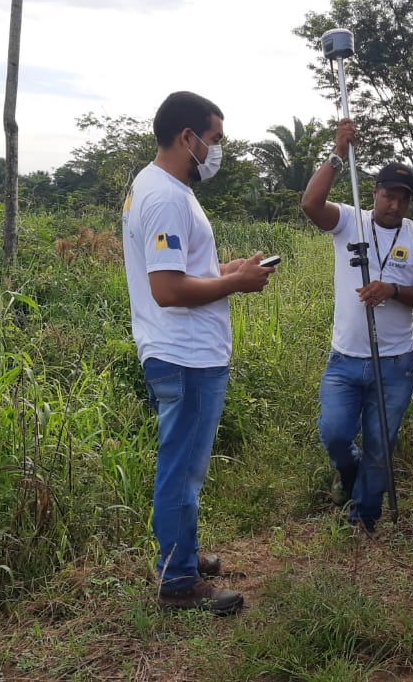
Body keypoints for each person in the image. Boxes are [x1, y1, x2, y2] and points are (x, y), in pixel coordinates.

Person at [122, 91, 275, 614]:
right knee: (181, 469)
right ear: (187, 137)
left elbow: (181, 270)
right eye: (214, 139)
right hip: (184, 356)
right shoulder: (165, 196)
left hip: (184, 352)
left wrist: (226, 271)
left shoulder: (162, 188)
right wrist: (236, 284)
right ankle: (178, 582)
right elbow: (167, 289)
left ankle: (182, 556)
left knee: (184, 466)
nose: (217, 150)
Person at [300, 118, 413, 532]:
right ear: (375, 193)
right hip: (345, 358)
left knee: (381, 444)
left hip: (394, 362)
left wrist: (392, 290)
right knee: (334, 434)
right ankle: (350, 475)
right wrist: (337, 154)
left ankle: (364, 517)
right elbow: (311, 204)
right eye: (388, 195)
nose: (394, 205)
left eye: (402, 198)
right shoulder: (350, 221)